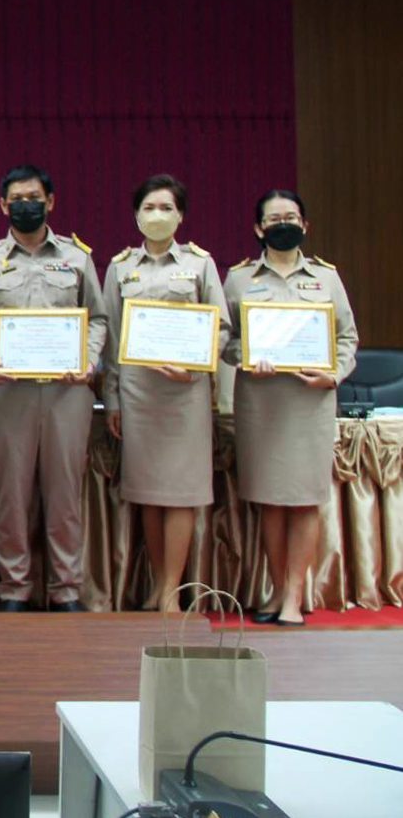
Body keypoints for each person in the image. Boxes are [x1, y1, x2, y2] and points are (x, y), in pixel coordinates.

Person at [0, 164, 107, 612]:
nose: (26, 205)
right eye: (17, 199)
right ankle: (14, 588)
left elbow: (98, 318)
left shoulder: (77, 258)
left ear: (50, 202)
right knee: (12, 496)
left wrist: (89, 361)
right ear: (3, 206)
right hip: (9, 394)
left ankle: (66, 589)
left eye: (34, 198)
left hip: (67, 393)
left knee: (64, 495)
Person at [222, 189, 357, 626]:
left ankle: (294, 598)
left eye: (291, 217)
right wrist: (246, 356)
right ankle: (279, 591)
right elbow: (222, 338)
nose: (284, 225)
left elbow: (347, 338)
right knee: (270, 500)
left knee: (304, 499)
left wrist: (332, 374)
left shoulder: (326, 278)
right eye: (274, 219)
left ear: (305, 225)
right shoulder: (239, 278)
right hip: (261, 404)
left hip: (310, 402)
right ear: (258, 228)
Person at [101, 175, 228, 613]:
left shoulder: (200, 265)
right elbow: (111, 339)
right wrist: (112, 399)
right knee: (149, 493)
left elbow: (221, 329)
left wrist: (195, 365)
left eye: (166, 208)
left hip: (185, 395)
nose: (157, 215)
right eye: (149, 207)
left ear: (181, 216)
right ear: (136, 215)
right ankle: (159, 584)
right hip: (138, 396)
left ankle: (173, 589)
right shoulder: (120, 267)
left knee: (180, 492)